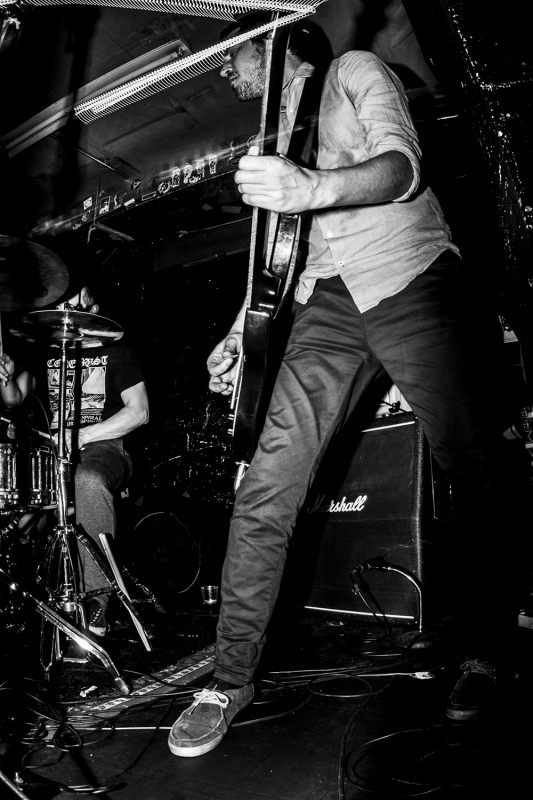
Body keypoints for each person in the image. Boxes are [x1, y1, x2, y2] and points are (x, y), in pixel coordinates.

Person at [167, 11, 525, 758]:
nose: (228, 72)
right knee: (266, 484)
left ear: (277, 40)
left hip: (410, 272)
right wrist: (237, 332)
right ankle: (228, 680)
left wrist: (314, 186)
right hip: (327, 305)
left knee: (474, 467)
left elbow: (403, 167)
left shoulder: (353, 69)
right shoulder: (273, 139)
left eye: (236, 56)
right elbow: (277, 259)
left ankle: (487, 648)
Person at [0, 282, 149, 636]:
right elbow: (14, 397)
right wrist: (5, 376)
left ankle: (97, 602)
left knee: (87, 480)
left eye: (75, 303)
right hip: (53, 451)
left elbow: (139, 412)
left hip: (105, 447)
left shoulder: (116, 346)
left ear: (91, 307)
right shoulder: (46, 351)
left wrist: (81, 436)